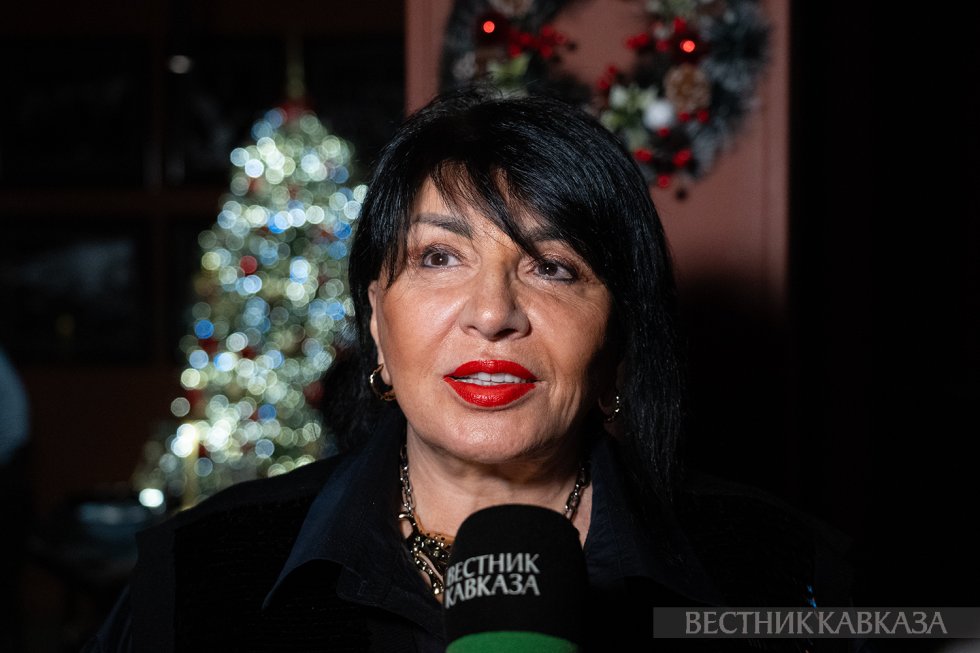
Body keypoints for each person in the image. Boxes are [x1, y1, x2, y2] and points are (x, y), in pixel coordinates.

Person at [84, 85, 859, 652]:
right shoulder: (200, 572)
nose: (492, 313)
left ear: (618, 333)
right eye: (439, 256)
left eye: (552, 266)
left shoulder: (783, 574)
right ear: (376, 319)